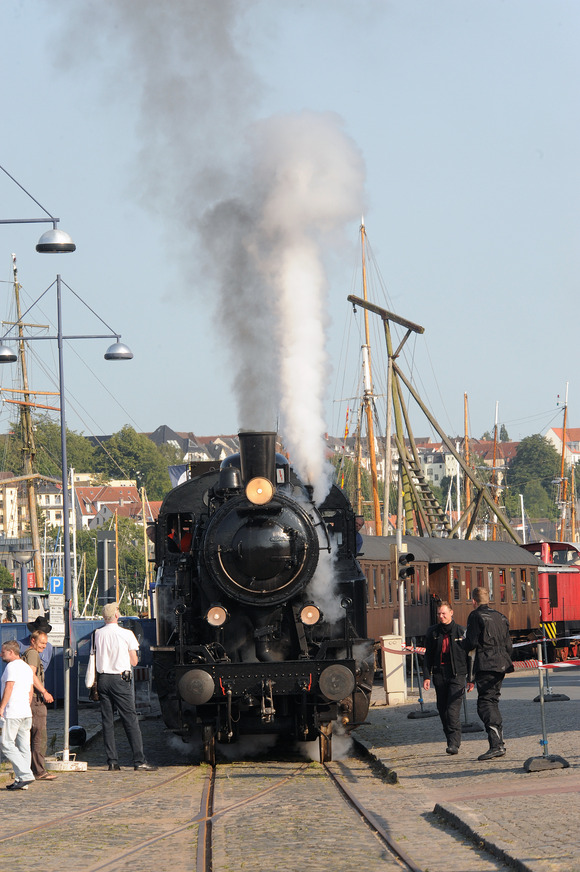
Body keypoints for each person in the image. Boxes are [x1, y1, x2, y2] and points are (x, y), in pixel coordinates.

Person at [94, 602, 157, 771]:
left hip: (103, 679)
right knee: (130, 719)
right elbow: (134, 661)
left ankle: (112, 761)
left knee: (107, 721)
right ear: (116, 615)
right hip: (119, 680)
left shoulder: (98, 634)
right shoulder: (126, 634)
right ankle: (139, 760)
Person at [463, 586, 514, 761]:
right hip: (501, 663)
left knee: (485, 703)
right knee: (492, 700)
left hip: (486, 664)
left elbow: (471, 642)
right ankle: (498, 742)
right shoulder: (501, 616)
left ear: (473, 601)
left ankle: (496, 744)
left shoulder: (475, 616)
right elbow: (509, 646)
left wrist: (459, 644)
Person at [423, 602, 471, 755]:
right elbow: (428, 656)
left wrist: (471, 678)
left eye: (444, 613)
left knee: (452, 709)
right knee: (442, 709)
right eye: (439, 614)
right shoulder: (433, 632)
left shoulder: (461, 631)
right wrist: (426, 676)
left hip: (457, 674)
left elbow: (470, 657)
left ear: (451, 613)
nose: (441, 616)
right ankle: (450, 738)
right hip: (439, 673)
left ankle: (454, 743)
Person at [0, 639, 35, 790]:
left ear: (11, 652)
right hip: (26, 711)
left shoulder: (12, 666)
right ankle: (22, 781)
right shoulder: (27, 667)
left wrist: (1, 707)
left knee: (7, 744)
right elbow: (30, 689)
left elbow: (9, 687)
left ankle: (26, 774)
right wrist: (27, 704)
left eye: (3, 652)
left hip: (13, 711)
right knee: (24, 747)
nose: (1, 654)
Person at [22, 630, 56, 781]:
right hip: (36, 700)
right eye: (41, 642)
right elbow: (31, 674)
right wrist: (44, 692)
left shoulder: (28, 653)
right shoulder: (33, 654)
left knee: (30, 736)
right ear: (33, 641)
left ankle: (31, 768)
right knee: (39, 736)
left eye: (45, 642)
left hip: (31, 699)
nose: (44, 645)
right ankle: (39, 770)